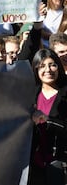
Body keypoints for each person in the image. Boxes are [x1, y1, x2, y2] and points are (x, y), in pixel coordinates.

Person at [28, 49, 67, 185]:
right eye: (42, 66)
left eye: (52, 65)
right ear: (35, 69)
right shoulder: (29, 93)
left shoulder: (64, 93)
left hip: (60, 162)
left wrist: (48, 120)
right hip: (34, 163)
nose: (48, 70)